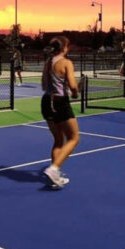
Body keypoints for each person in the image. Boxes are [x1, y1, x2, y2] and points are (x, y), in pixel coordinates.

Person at [41, 36, 81, 188]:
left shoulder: (47, 63)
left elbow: (45, 84)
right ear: (64, 48)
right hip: (60, 103)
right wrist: (76, 92)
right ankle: (53, 169)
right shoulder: (66, 63)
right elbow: (72, 85)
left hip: (46, 102)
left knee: (58, 140)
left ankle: (54, 176)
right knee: (74, 138)